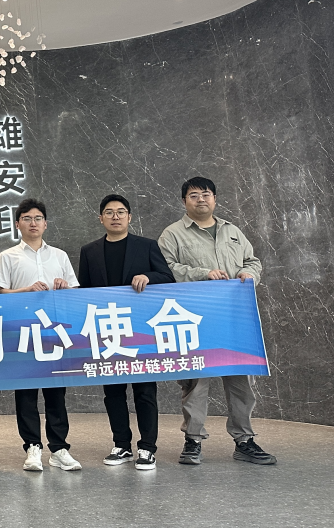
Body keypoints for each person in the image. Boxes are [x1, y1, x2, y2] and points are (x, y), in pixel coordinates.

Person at [158, 177, 275, 466]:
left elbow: (252, 261)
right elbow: (165, 269)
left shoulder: (232, 231)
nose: (201, 199)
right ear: (184, 201)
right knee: (195, 381)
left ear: (215, 199)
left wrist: (249, 274)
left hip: (235, 317)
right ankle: (193, 440)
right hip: (194, 319)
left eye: (206, 194)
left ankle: (244, 440)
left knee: (240, 381)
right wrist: (203, 273)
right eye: (194, 195)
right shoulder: (172, 234)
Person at [77, 195, 175, 471]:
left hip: (141, 331)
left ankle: (147, 448)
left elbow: (168, 278)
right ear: (101, 218)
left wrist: (149, 277)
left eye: (121, 212)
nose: (115, 216)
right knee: (113, 392)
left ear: (130, 217)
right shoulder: (89, 251)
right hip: (107, 331)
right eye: (109, 212)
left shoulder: (147, 246)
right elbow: (84, 291)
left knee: (145, 391)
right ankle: (121, 444)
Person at [0, 198, 82, 473]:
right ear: (17, 224)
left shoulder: (59, 255)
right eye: (27, 218)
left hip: (55, 333)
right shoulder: (7, 256)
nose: (33, 223)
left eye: (38, 218)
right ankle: (32, 447)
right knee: (26, 393)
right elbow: (0, 294)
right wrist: (26, 290)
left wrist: (65, 287)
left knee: (56, 393)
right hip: (22, 332)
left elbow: (75, 292)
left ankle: (59, 448)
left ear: (45, 224)